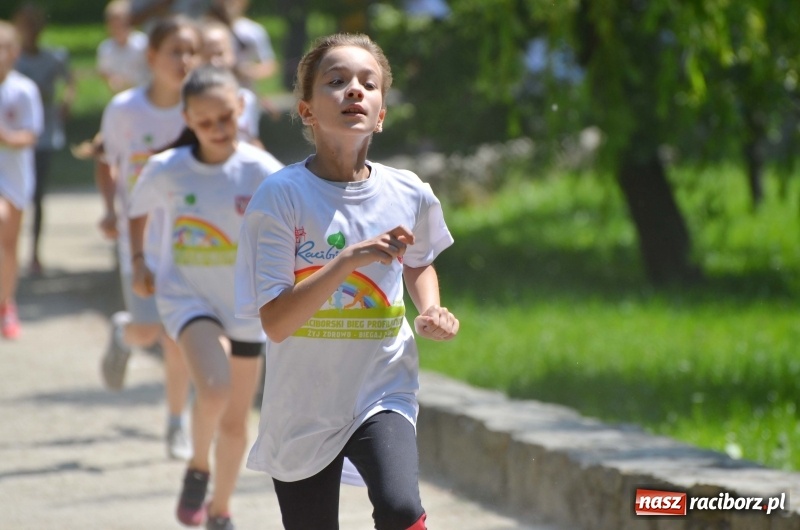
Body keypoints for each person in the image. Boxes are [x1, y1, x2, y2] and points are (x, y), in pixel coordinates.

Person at [235, 33, 460, 529]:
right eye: (336, 81)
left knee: (401, 508)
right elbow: (276, 322)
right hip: (302, 405)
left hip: (382, 387)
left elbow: (418, 261)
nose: (354, 90)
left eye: (368, 84)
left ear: (380, 115)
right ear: (307, 111)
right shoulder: (281, 196)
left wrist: (429, 308)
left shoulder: (408, 192)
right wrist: (345, 262)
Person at [129, 65, 283, 530]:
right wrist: (139, 261)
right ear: (187, 120)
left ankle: (221, 510)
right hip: (186, 296)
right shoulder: (167, 168)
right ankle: (199, 466)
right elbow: (137, 210)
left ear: (241, 108)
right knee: (214, 387)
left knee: (236, 422)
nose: (217, 129)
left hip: (246, 307)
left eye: (226, 117)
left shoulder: (262, 170)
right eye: (204, 121)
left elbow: (295, 221)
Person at [98, 15, 201, 460]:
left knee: (175, 337)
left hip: (188, 244)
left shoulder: (200, 108)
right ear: (152, 56)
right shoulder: (124, 109)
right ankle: (125, 334)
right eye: (176, 51)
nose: (185, 60)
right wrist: (109, 209)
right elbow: (106, 161)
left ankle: (176, 423)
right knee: (148, 330)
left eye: (192, 51)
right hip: (138, 242)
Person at [12, 2, 75, 277]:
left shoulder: (54, 57)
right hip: (11, 140)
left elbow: (70, 81)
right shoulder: (11, 59)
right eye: (26, 24)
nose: (31, 30)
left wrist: (66, 103)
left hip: (45, 136)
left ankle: (34, 253)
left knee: (37, 196)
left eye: (35, 24)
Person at [0, 20, 43, 339]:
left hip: (14, 178)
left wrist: (5, 137)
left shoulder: (24, 90)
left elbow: (30, 136)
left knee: (8, 245)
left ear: (14, 51)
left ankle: (6, 302)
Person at [208, 0, 276, 89]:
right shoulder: (206, 29)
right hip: (211, 88)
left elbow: (269, 65)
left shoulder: (253, 30)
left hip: (243, 89)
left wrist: (249, 71)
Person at [96, 0, 150, 94]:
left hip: (143, 93)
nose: (118, 28)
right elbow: (104, 71)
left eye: (122, 24)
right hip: (120, 94)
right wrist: (112, 80)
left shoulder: (142, 43)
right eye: (114, 25)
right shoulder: (105, 48)